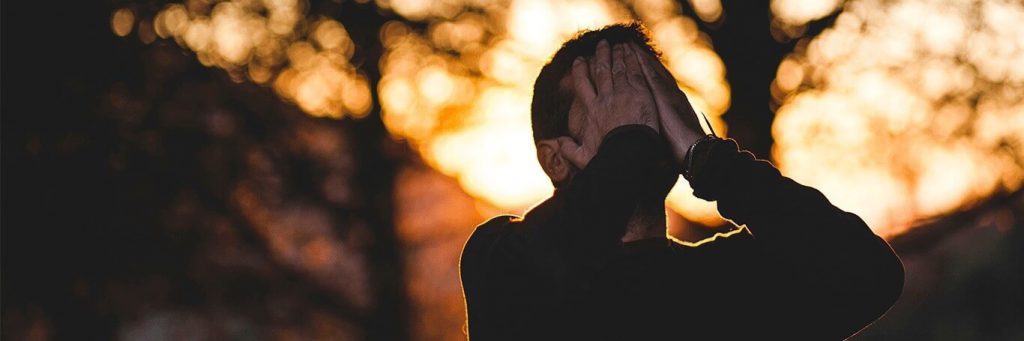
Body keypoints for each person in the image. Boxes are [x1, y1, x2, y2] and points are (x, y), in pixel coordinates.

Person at [460, 23, 904, 340]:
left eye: (653, 98)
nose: (643, 119)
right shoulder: (501, 261)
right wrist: (628, 145)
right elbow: (558, 254)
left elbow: (870, 274)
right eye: (615, 104)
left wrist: (706, 156)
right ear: (555, 160)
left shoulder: (734, 278)